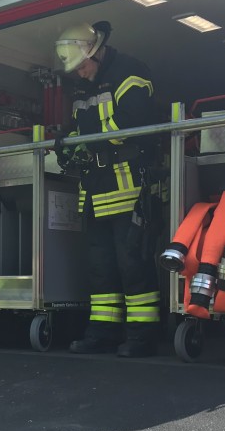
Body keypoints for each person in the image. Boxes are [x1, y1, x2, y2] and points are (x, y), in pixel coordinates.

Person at [54, 21, 162, 358]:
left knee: (133, 265)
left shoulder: (131, 72)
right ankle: (102, 333)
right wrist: (68, 143)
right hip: (94, 190)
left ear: (96, 53)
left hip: (127, 187)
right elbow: (82, 129)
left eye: (82, 65)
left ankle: (143, 336)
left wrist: (89, 140)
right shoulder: (83, 88)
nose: (80, 73)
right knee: (100, 268)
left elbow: (131, 123)